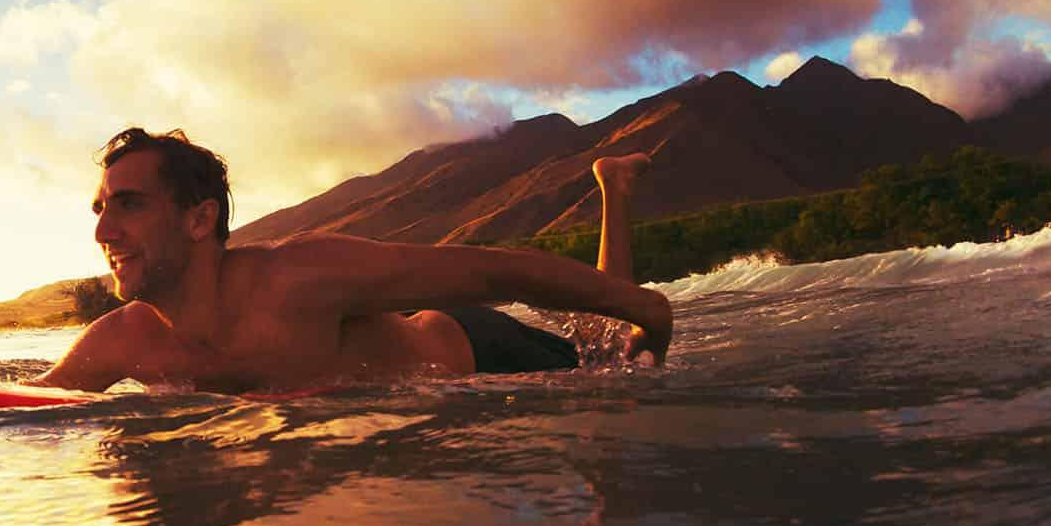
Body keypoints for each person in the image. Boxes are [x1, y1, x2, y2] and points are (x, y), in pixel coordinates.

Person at [36, 127, 671, 394]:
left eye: (129, 206)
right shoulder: (121, 341)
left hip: (477, 355)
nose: (104, 232)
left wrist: (644, 307)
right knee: (612, 345)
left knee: (617, 358)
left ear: (200, 219)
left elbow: (489, 271)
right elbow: (3, 408)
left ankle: (613, 190)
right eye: (99, 210)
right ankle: (615, 199)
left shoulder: (298, 280)